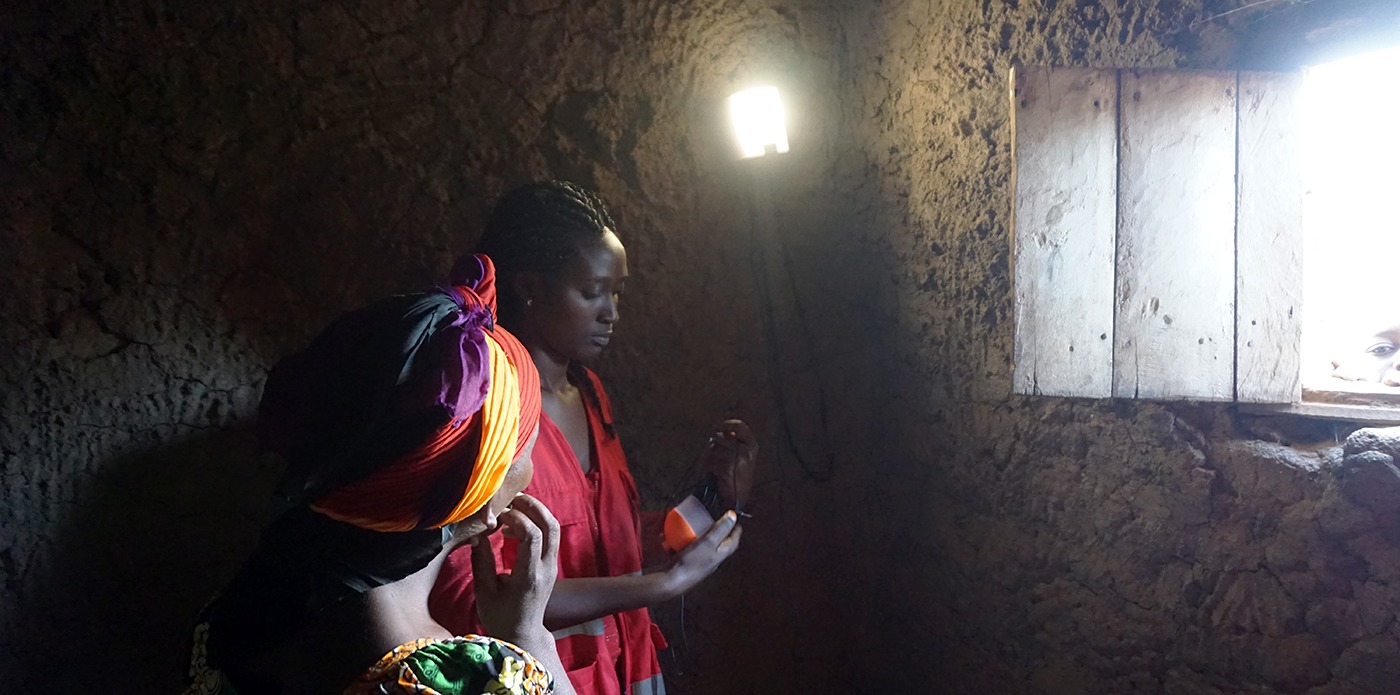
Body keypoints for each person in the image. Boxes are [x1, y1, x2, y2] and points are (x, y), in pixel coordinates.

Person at [183, 255, 577, 695]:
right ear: (479, 489)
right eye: (528, 447)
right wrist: (529, 638)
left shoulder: (232, 614)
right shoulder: (467, 682)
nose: (534, 468)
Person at [429, 181, 757, 695]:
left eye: (616, 292)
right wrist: (662, 585)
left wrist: (716, 499)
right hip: (544, 681)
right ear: (528, 286)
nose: (611, 313)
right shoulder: (489, 410)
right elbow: (471, 594)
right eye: (591, 292)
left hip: (630, 671)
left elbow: (605, 542)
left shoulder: (590, 394)